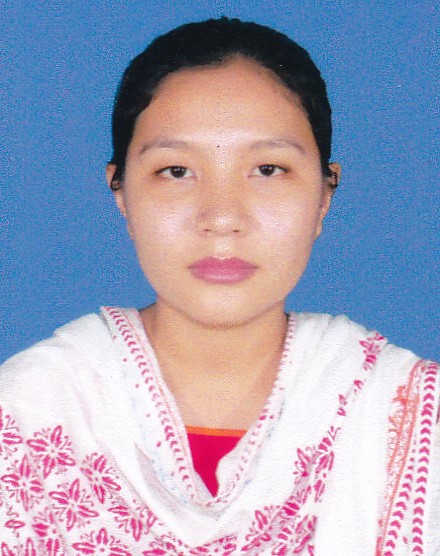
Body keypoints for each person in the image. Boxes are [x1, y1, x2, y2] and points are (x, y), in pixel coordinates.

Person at [0, 17, 438, 555]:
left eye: (268, 169)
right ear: (121, 193)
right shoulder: (27, 413)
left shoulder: (411, 417)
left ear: (324, 196)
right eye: (176, 171)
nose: (223, 218)